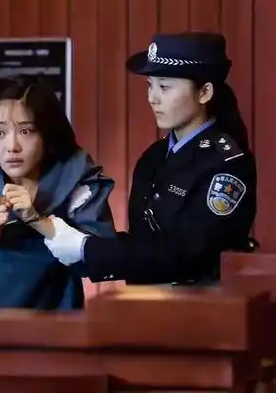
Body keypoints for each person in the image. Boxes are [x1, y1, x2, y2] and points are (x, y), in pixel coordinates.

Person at [43, 32, 257, 285]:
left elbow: (190, 255)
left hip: (201, 305)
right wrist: (81, 241)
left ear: (204, 92)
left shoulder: (228, 164)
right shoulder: (153, 157)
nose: (152, 98)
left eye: (164, 87)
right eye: (149, 85)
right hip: (147, 300)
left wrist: (88, 248)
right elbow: (144, 244)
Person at [0, 75, 116, 310]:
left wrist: (38, 221)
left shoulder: (74, 172)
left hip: (56, 319)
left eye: (26, 131)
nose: (12, 146)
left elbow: (104, 257)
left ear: (47, 132)